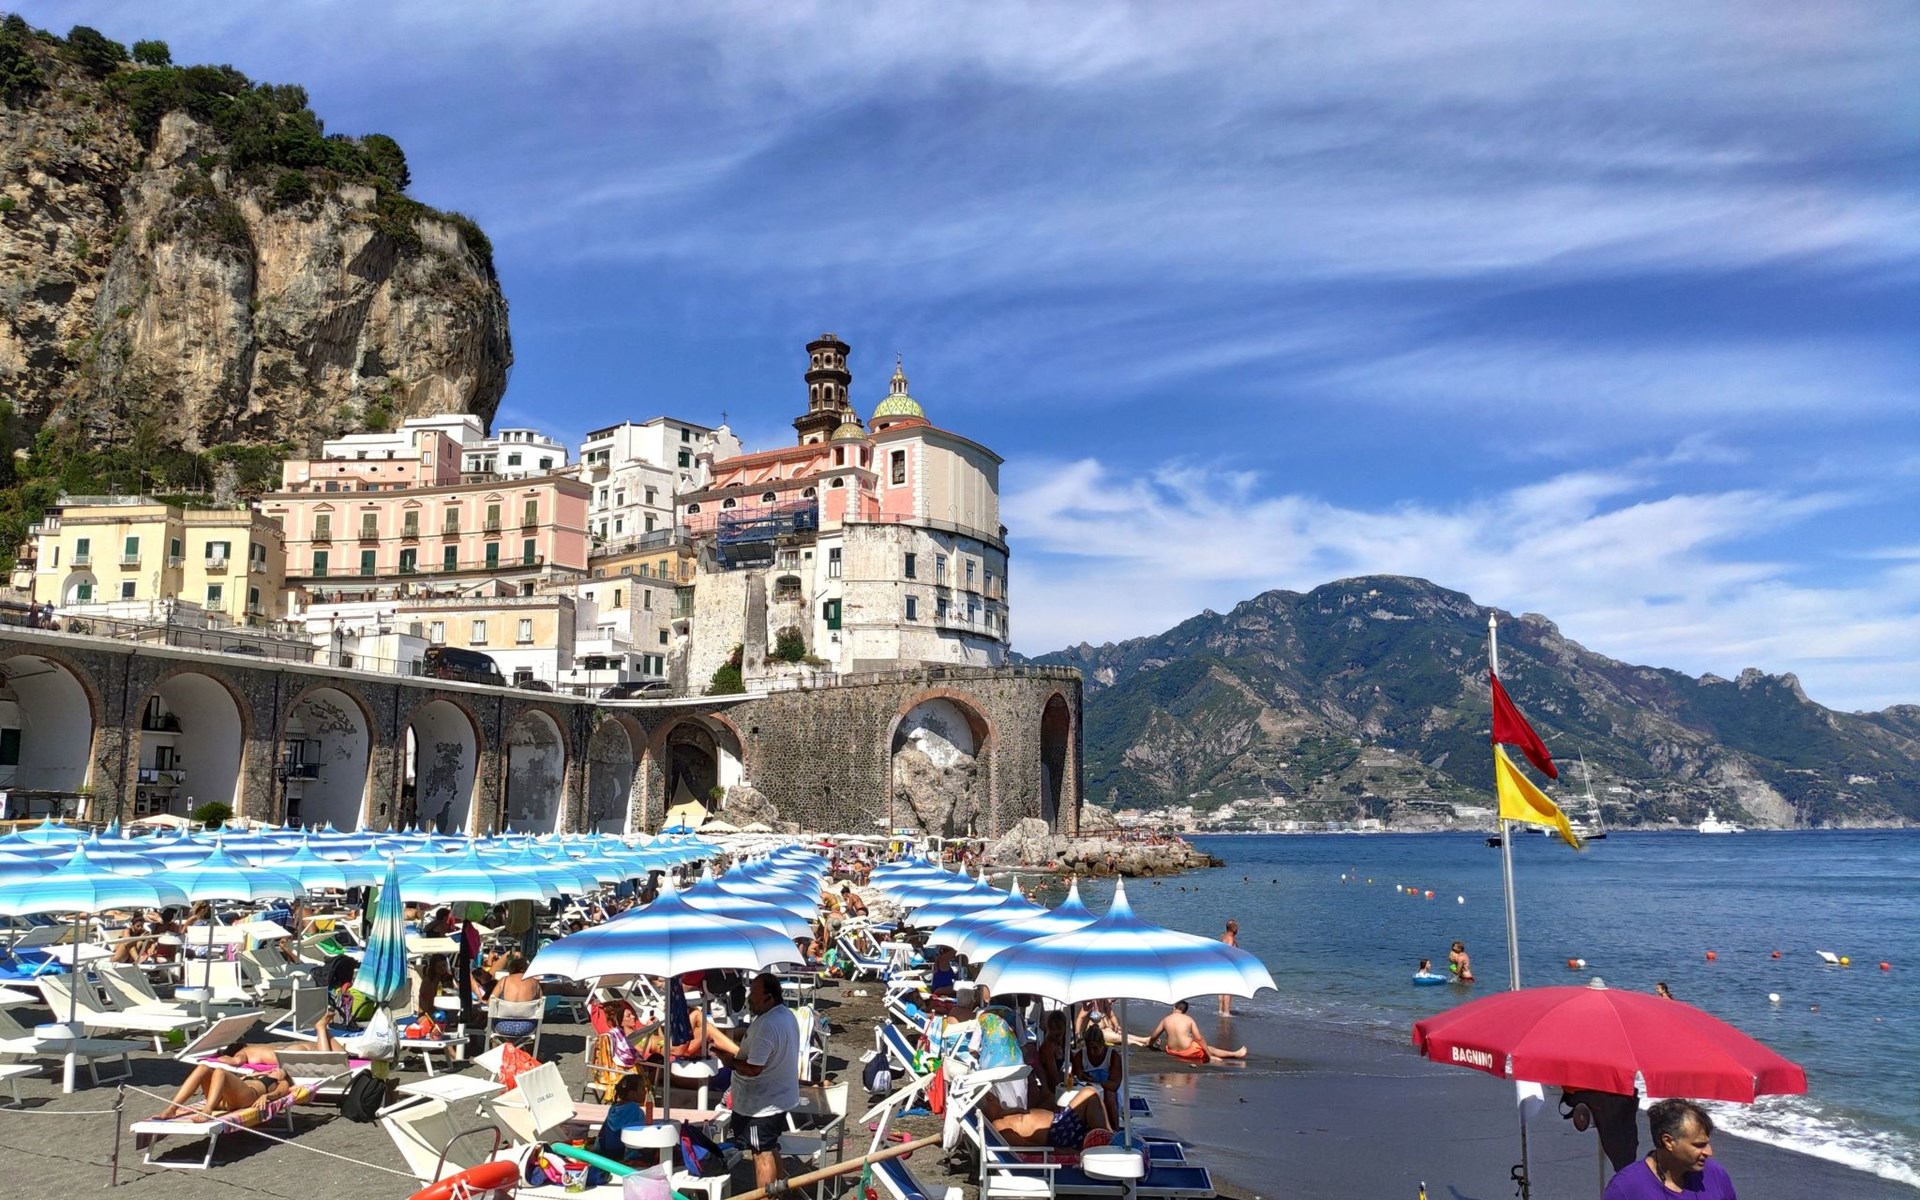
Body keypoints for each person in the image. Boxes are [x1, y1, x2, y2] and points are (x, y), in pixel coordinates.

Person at [708, 972, 800, 1191]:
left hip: (762, 1105)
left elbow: (754, 1069)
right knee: (769, 1147)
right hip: (778, 1098)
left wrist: (730, 1062)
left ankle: (765, 1196)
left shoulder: (768, 1025)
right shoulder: (785, 1015)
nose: (749, 998)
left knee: (761, 1154)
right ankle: (777, 1194)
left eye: (754, 995)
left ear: (769, 998)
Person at [1603, 1098, 1736, 1199]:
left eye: (1706, 1143)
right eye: (1698, 1145)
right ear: (1668, 1142)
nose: (1709, 1152)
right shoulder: (1625, 1189)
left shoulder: (1716, 1175)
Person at [983, 1084, 1112, 1150]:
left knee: (1089, 1093)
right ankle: (1108, 1144)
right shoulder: (998, 1124)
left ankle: (1107, 1137)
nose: (995, 1095)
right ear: (989, 1097)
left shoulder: (1004, 1115)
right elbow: (1021, 1146)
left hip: (1059, 1123)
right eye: (992, 1094)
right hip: (1056, 1132)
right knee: (1089, 1093)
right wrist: (1058, 1151)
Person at [1144, 999, 1248, 1064]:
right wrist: (1209, 1056)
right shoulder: (1189, 1019)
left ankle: (1232, 1054)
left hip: (1172, 1050)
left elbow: (1154, 1036)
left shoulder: (1166, 1019)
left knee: (1198, 1045)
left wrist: (1151, 1045)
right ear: (1185, 1011)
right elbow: (1199, 1038)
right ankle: (1235, 1054)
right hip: (1188, 1051)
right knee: (1210, 1048)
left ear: (1174, 1008)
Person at [1072, 1022, 1123, 1126]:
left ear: (1102, 1044)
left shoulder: (1113, 1056)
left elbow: (1115, 1085)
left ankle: (1114, 1128)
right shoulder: (1080, 1056)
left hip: (1109, 1091)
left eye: (1095, 1048)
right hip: (1087, 1090)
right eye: (1089, 1047)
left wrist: (1096, 1083)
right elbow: (1075, 1078)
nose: (1091, 1052)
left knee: (1109, 1096)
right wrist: (1081, 1076)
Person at [1218, 920, 1240, 1014]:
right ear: (1234, 929)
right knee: (1228, 989)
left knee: (1221, 989)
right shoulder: (1231, 939)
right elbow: (1230, 953)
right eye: (1237, 928)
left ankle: (1220, 1010)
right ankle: (1226, 1012)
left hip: (1221, 965)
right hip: (1228, 967)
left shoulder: (1222, 937)